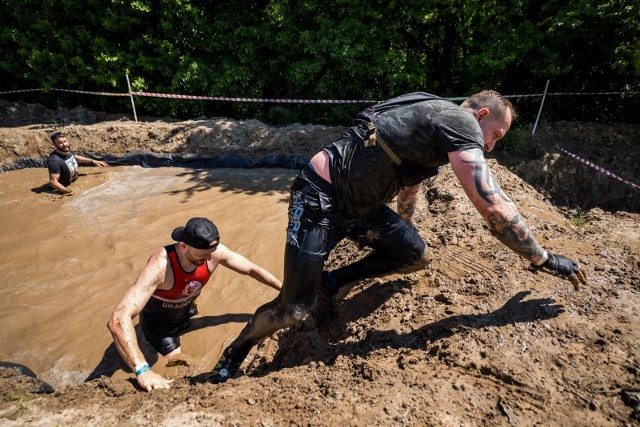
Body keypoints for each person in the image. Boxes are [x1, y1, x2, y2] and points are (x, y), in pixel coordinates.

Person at [207, 90, 588, 384]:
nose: (490, 146)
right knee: (293, 309)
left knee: (415, 255)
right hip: (320, 197)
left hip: (364, 208)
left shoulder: (432, 117)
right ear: (482, 115)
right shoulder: (461, 122)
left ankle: (331, 282)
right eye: (495, 136)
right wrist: (542, 257)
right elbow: (493, 209)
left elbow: (408, 185)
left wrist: (397, 232)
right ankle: (235, 353)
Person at [107, 217, 282, 391]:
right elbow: (118, 319)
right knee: (182, 365)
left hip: (186, 310)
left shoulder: (213, 252)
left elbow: (252, 270)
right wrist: (143, 370)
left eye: (211, 253)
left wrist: (285, 290)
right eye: (203, 255)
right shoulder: (160, 267)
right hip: (160, 325)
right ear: (183, 246)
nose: (209, 259)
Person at [47, 130, 109, 194]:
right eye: (60, 143)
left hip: (72, 182)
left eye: (65, 141)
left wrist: (93, 161)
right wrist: (67, 191)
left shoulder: (67, 150)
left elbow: (74, 157)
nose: (64, 144)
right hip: (60, 189)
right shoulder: (54, 161)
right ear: (54, 145)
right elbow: (53, 182)